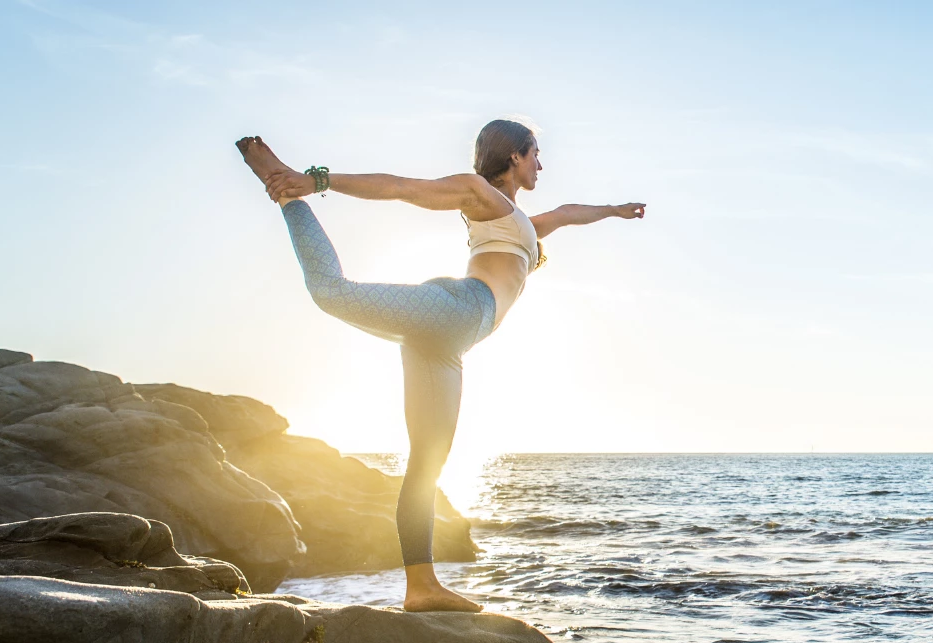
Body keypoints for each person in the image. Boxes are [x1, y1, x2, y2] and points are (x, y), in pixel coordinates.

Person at [237, 120, 645, 612]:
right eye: (536, 153)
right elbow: (403, 189)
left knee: (426, 464)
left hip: (449, 345)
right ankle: (286, 190)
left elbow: (566, 213)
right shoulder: (481, 196)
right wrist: (316, 181)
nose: (542, 163)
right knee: (332, 293)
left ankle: (421, 588)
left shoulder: (519, 221)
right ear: (514, 155)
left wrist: (616, 211)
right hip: (457, 308)